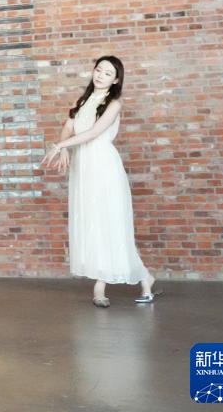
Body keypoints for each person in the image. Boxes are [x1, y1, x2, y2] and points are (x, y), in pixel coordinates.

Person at [42, 57, 160, 307]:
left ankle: (105, 285)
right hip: (83, 168)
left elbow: (94, 132)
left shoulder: (114, 104)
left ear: (115, 80)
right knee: (93, 224)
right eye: (98, 70)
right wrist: (64, 147)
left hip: (104, 167)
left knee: (110, 224)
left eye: (107, 73)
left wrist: (60, 146)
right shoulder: (81, 101)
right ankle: (140, 279)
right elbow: (68, 127)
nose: (100, 75)